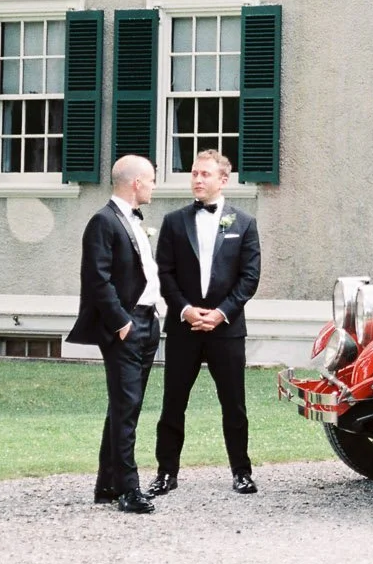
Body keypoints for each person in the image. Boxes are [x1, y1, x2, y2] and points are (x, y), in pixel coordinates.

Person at [151, 149, 263, 496]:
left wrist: (220, 313)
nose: (198, 180)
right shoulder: (173, 221)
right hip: (184, 327)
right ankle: (166, 473)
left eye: (205, 174)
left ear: (223, 180)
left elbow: (250, 276)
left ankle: (241, 472)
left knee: (234, 404)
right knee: (173, 404)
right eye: (195, 174)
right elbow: (164, 272)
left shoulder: (243, 223)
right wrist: (184, 309)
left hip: (226, 328)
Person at [65, 155, 163, 514]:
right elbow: (97, 278)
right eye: (151, 180)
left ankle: (107, 483)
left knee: (126, 406)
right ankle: (128, 488)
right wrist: (122, 322)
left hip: (149, 322)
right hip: (127, 326)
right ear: (136, 183)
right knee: (126, 409)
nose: (154, 187)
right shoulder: (103, 222)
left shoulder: (134, 221)